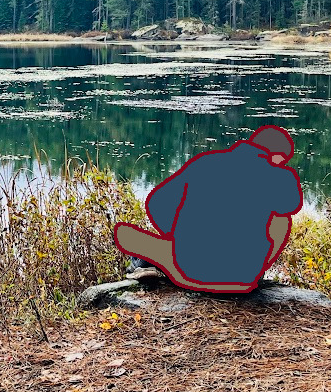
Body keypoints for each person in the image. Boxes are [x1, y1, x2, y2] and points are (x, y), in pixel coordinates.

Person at [113, 125, 303, 293]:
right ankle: (251, 270)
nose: (283, 164)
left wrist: (180, 235)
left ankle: (145, 263)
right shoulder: (281, 178)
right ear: (275, 154)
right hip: (244, 276)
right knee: (282, 219)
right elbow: (291, 205)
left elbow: (157, 204)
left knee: (128, 235)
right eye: (282, 160)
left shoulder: (205, 163)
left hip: (190, 270)